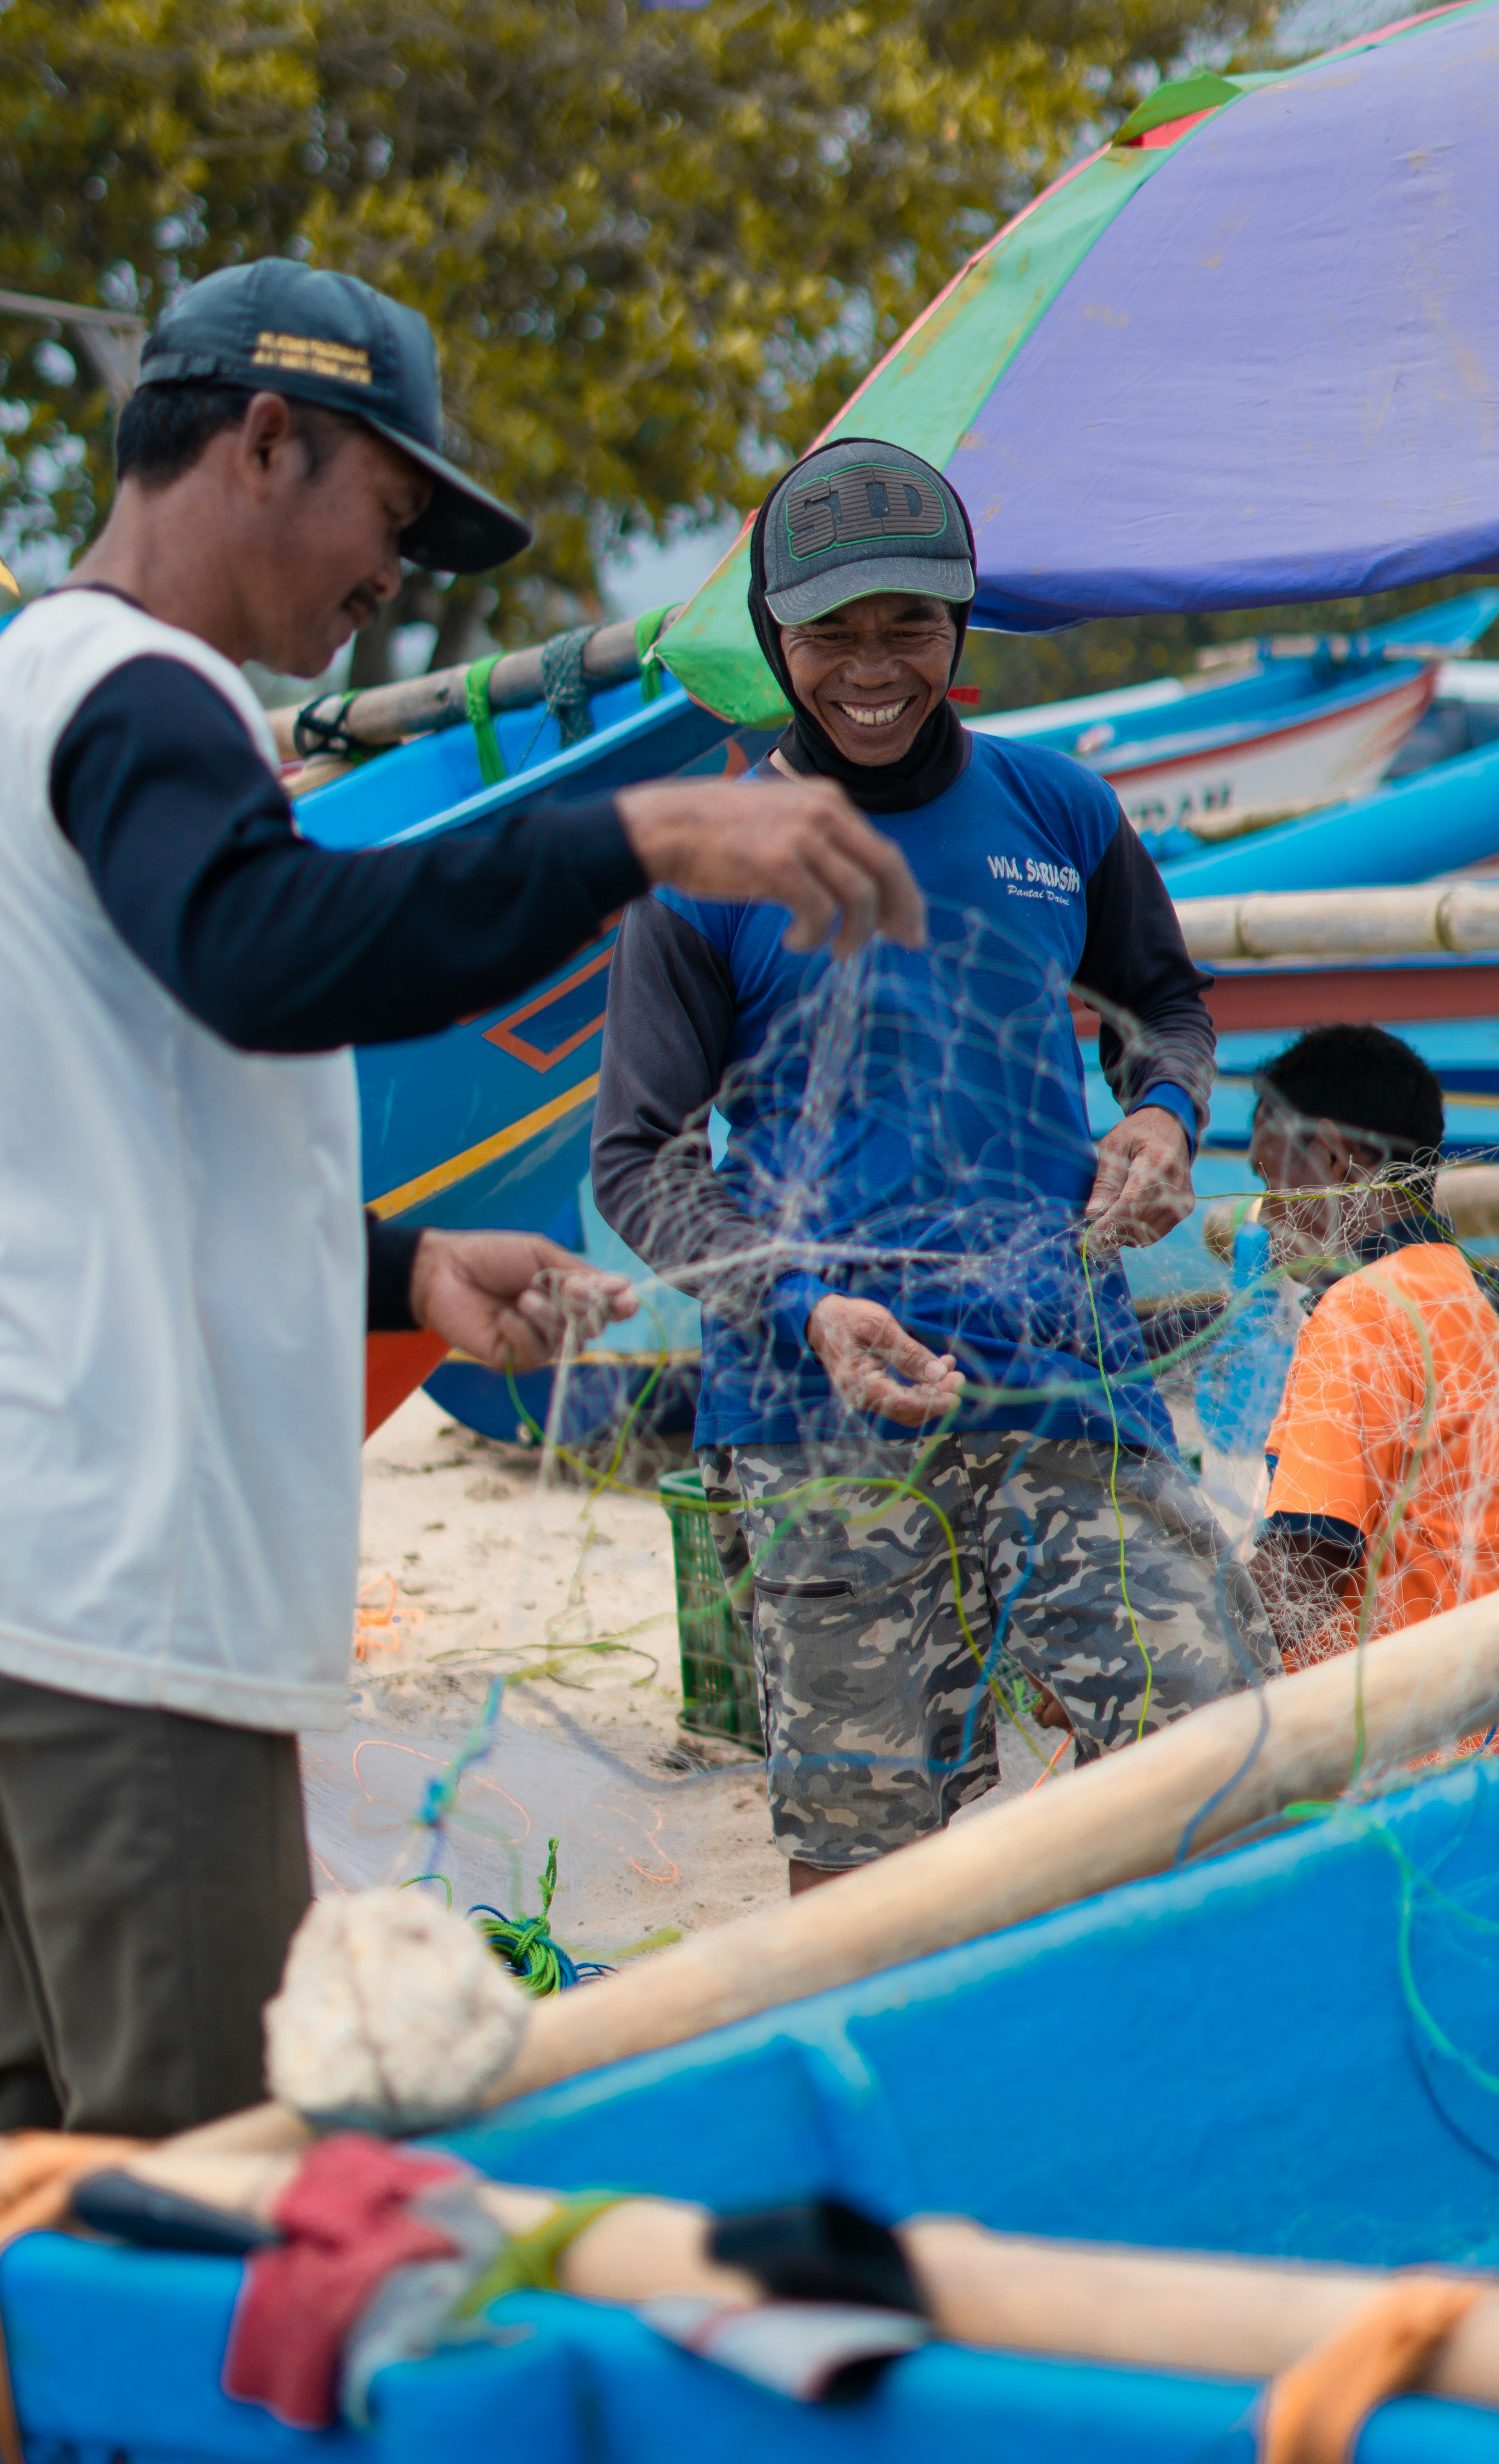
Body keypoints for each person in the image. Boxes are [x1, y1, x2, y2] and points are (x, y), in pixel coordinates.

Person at [0, 262, 925, 2136]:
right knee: (197, 2174)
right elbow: (267, 946)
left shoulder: (24, 692)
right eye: (388, 516)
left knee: (33, 2177)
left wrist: (404, 1263)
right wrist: (642, 829)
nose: (392, 583)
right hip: (130, 1606)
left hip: (35, 1572)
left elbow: (89, 1141)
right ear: (264, 437)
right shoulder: (149, 697)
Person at [592, 437, 1273, 1895]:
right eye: (831, 632)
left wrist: (1161, 1113)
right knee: (865, 1878)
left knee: (1211, 1761)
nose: (873, 664)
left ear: (961, 626)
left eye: (909, 623)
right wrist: (802, 1307)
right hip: (816, 1429)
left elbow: (1166, 1005)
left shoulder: (1061, 814)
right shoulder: (703, 868)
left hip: (1066, 1389)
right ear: (777, 642)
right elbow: (641, 1161)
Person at [1246, 1023, 1499, 1749]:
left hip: (1432, 1769)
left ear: (1332, 1155)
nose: (1267, 1216)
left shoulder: (1359, 1310)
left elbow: (1306, 1566)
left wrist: (1153, 1670)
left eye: (1269, 1180)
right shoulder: (1466, 1293)